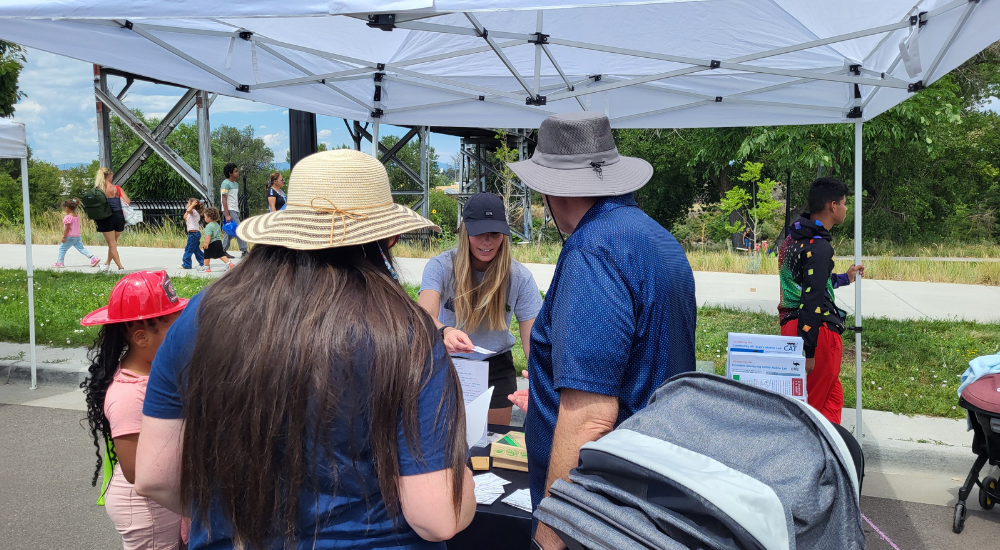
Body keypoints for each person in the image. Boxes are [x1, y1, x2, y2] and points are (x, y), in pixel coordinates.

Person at [134, 149, 475, 550]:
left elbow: (155, 475)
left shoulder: (202, 315)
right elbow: (438, 517)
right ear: (391, 236)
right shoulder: (405, 331)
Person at [506, 112, 697, 549]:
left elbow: (590, 416)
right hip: (649, 488)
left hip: (599, 510)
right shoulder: (659, 238)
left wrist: (550, 536)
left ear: (553, 189)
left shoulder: (593, 249)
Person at [80, 270, 188, 550]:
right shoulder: (129, 393)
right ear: (141, 338)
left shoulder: (158, 374)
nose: (183, 336)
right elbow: (136, 472)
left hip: (165, 500)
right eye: (174, 329)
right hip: (148, 510)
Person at [418, 192, 543, 426]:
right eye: (478, 233)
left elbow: (533, 341)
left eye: (494, 234)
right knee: (441, 437)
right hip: (448, 363)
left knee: (491, 444)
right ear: (465, 231)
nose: (487, 241)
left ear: (504, 234)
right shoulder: (440, 266)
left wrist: (541, 378)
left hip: (495, 367)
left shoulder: (520, 277)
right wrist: (444, 331)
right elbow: (423, 316)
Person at [778, 177, 864, 425]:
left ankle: (831, 458)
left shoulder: (794, 238)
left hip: (794, 326)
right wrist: (809, 350)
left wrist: (844, 279)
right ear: (833, 206)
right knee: (812, 412)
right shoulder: (819, 246)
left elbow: (810, 282)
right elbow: (812, 298)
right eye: (845, 203)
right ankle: (803, 460)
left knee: (832, 401)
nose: (847, 209)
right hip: (815, 330)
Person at [94, 167, 130, 272]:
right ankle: (106, 264)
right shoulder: (117, 188)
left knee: (112, 244)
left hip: (106, 218)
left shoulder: (98, 190)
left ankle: (120, 267)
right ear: (109, 176)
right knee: (113, 243)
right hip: (119, 217)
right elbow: (127, 201)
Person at [53, 198, 101, 268]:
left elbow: (67, 228)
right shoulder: (77, 216)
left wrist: (64, 237)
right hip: (77, 236)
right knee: (81, 248)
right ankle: (93, 258)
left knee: (62, 248)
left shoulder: (68, 217)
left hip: (69, 236)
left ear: (67, 208)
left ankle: (60, 262)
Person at [219, 163, 248, 257]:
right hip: (229, 209)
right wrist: (227, 214)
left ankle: (222, 250)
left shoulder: (235, 184)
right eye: (235, 171)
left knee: (231, 230)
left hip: (234, 209)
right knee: (239, 228)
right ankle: (244, 250)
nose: (237, 172)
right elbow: (224, 198)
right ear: (230, 173)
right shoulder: (225, 184)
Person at [201, 207, 235, 273]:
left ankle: (206, 267)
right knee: (221, 255)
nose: (204, 218)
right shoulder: (217, 225)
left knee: (206, 255)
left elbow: (208, 235)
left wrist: (206, 243)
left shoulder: (209, 226)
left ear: (209, 218)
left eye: (205, 217)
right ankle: (229, 264)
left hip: (211, 243)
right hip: (218, 242)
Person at [180, 198, 205, 270]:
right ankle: (203, 261)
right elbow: (187, 217)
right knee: (196, 250)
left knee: (188, 249)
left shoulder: (193, 211)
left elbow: (188, 210)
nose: (186, 204)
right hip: (194, 234)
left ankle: (187, 264)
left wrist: (193, 205)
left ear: (192, 205)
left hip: (194, 234)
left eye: (188, 203)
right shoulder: (192, 213)